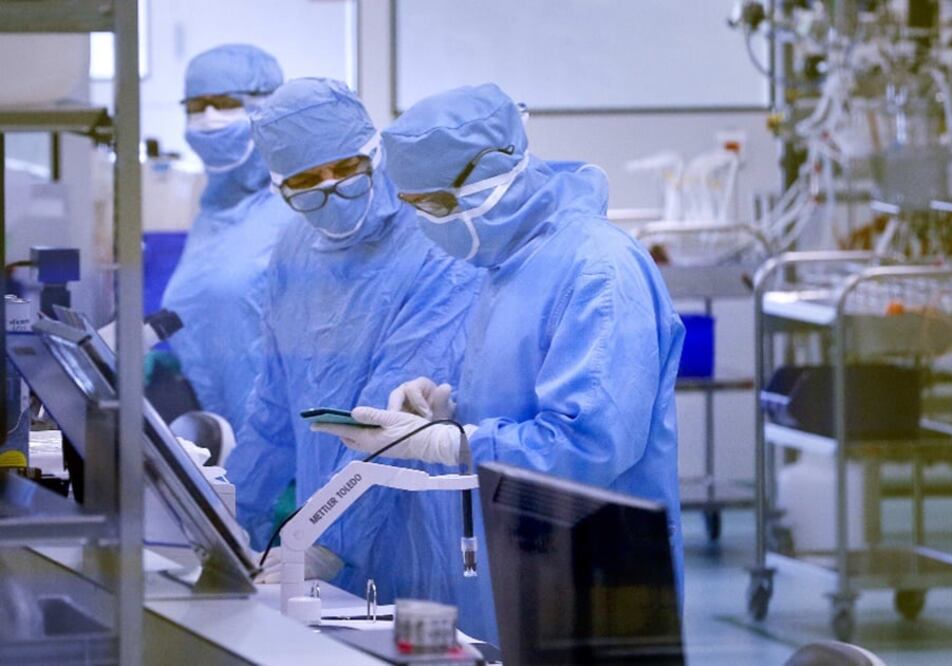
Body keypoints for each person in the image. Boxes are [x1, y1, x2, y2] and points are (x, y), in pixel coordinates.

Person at [319, 83, 685, 642]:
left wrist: (449, 443)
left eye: (437, 205)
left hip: (594, 580)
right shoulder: (507, 268)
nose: (427, 223)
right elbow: (519, 401)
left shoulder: (600, 271)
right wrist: (446, 408)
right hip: (516, 571)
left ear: (495, 172)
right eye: (415, 207)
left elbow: (591, 446)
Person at [224, 78, 479, 604]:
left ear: (374, 151)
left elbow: (391, 422)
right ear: (279, 187)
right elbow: (274, 410)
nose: (331, 188)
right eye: (306, 181)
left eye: (346, 169)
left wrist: (324, 539)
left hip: (409, 525)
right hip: (324, 522)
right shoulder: (294, 248)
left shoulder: (431, 241)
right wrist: (224, 517)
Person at [162, 44, 296, 435]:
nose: (209, 118)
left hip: (281, 448)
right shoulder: (213, 211)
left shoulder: (299, 208)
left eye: (224, 102)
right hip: (221, 435)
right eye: (196, 105)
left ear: (268, 107)